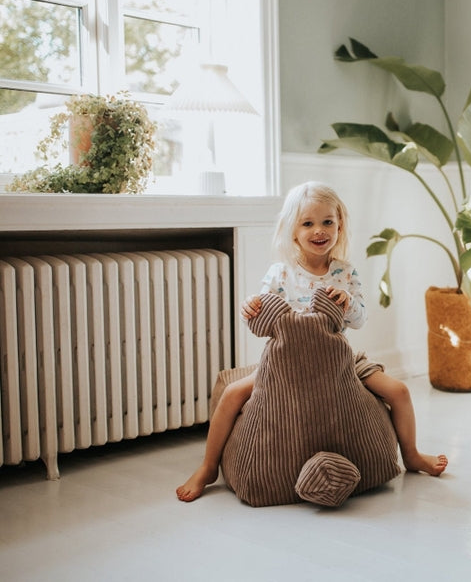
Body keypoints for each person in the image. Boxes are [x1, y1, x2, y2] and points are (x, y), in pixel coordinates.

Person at [176, 182, 447, 502]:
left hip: (339, 357)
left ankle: (412, 454)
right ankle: (208, 466)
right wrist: (249, 306)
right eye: (308, 223)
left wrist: (347, 302)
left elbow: (360, 319)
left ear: (339, 225)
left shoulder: (345, 273)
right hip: (285, 360)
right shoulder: (281, 273)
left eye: (327, 222)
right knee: (232, 394)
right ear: (293, 230)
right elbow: (259, 318)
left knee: (399, 391)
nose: (319, 231)